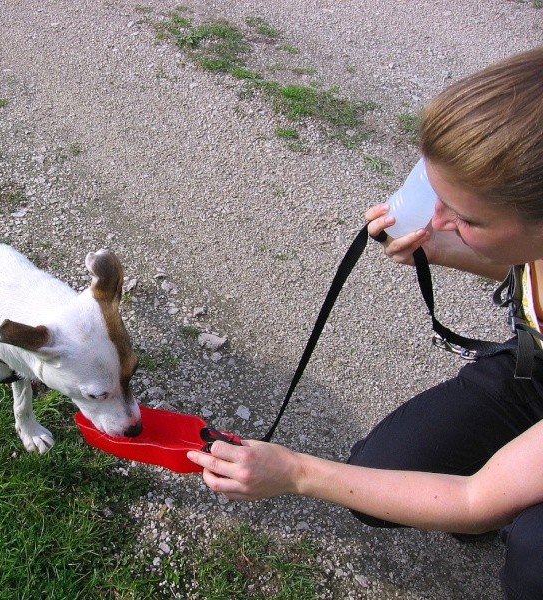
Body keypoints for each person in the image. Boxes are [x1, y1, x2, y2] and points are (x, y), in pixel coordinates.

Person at [187, 46, 543, 599]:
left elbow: (475, 500)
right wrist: (446, 250)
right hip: (533, 372)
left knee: (534, 550)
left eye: (466, 216)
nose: (438, 218)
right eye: (435, 193)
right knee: (386, 471)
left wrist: (298, 473)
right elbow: (524, 259)